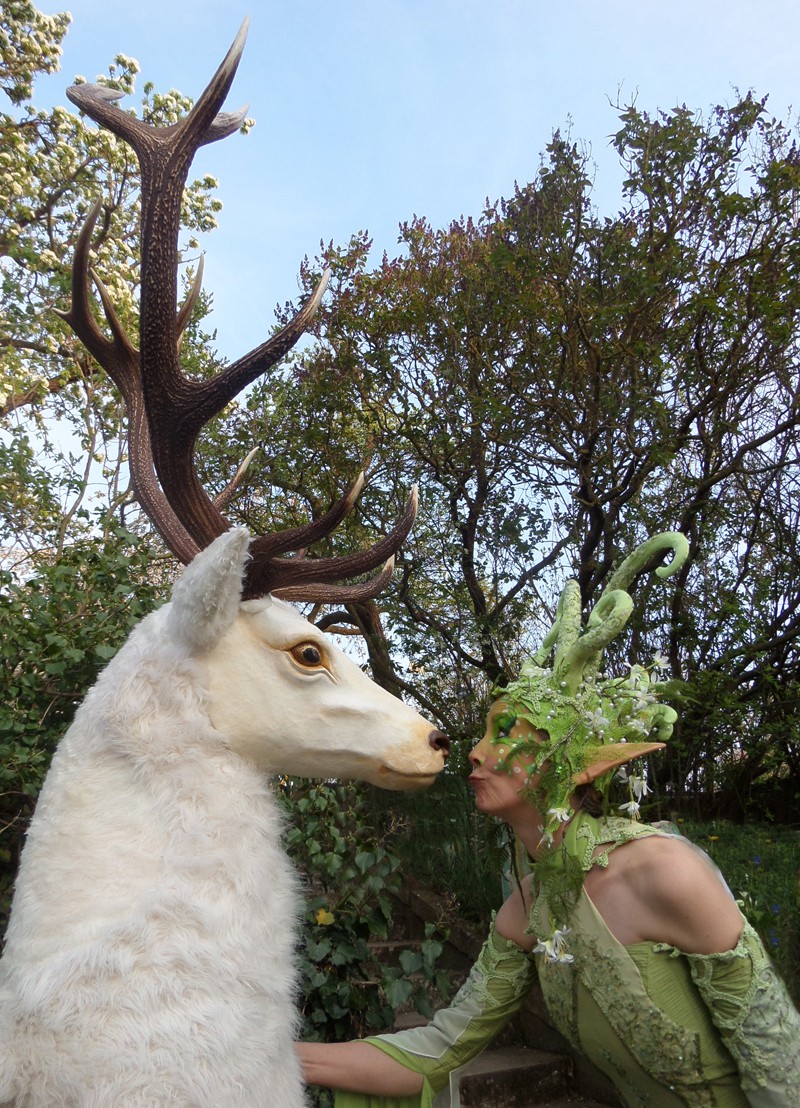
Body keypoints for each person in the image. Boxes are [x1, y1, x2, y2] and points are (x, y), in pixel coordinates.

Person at [296, 534, 800, 1108]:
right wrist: (274, 1054)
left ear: (581, 764)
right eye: (486, 731)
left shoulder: (665, 871)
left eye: (507, 733)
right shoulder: (526, 908)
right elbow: (438, 1051)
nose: (476, 752)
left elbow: (779, 1063)